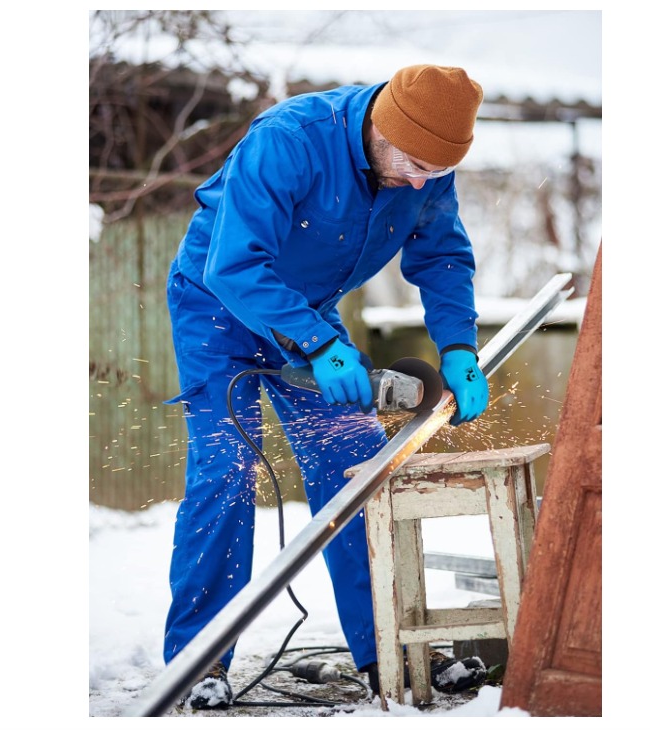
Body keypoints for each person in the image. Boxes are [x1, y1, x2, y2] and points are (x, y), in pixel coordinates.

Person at [164, 64, 490, 709]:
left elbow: (443, 257)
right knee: (226, 471)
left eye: (438, 171)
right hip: (217, 307)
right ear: (381, 127)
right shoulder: (290, 139)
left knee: (356, 469)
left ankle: (390, 650)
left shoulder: (425, 168)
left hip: (312, 316)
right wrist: (316, 345)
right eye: (414, 163)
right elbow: (232, 262)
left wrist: (458, 345)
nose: (422, 181)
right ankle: (199, 661)